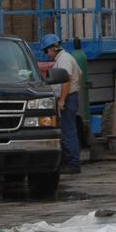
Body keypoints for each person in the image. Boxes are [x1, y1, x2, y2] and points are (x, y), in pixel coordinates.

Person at [44, 34, 82, 174]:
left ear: (53, 48)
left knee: (68, 132)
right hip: (71, 97)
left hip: (67, 99)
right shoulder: (65, 58)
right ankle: (69, 161)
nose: (47, 54)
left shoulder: (64, 59)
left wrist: (62, 100)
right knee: (67, 131)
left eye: (46, 51)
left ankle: (73, 164)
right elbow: (80, 74)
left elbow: (66, 80)